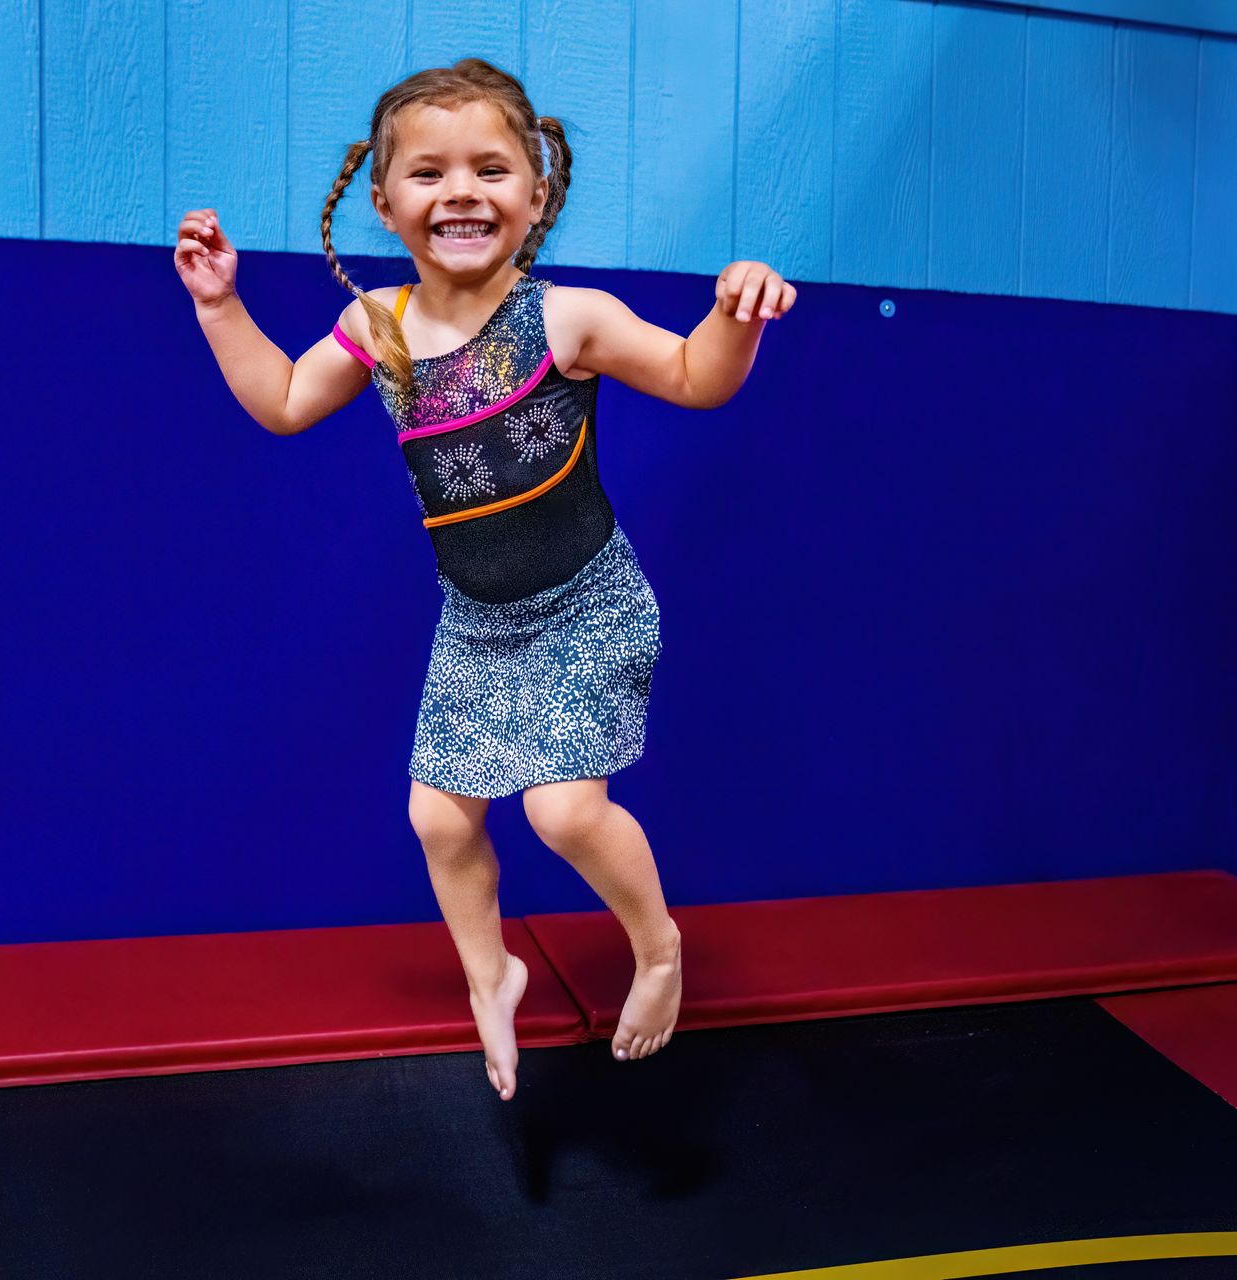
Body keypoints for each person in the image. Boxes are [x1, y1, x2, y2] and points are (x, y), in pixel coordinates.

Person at [174, 58, 793, 1103]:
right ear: (384, 201)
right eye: (428, 172)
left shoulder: (568, 319)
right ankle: (490, 972)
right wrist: (221, 306)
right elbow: (281, 400)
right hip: (477, 620)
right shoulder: (377, 327)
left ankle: (658, 949)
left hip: (589, 603)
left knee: (560, 810)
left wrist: (737, 313)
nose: (460, 191)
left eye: (491, 169)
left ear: (537, 195)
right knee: (439, 817)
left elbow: (696, 379)